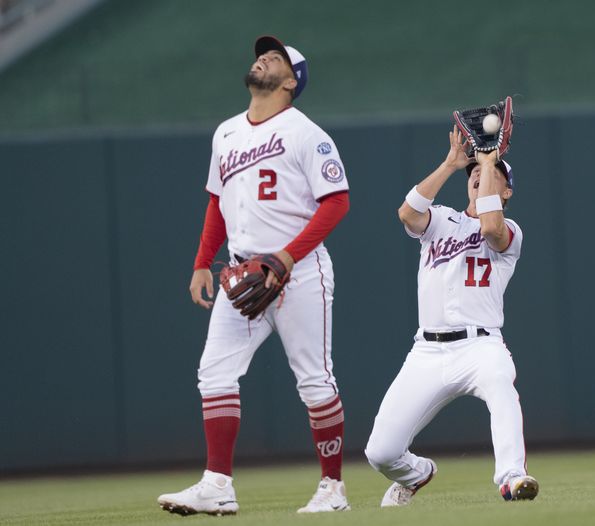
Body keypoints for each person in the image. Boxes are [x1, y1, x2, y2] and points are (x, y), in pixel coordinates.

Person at [157, 35, 351, 516]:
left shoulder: (306, 133)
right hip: (243, 272)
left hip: (299, 271)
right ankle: (217, 484)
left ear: (290, 82)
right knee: (215, 373)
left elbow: (337, 202)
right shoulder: (225, 133)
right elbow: (216, 203)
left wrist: (287, 257)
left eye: (278, 58)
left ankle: (333, 489)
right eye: (264, 53)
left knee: (314, 380)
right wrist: (203, 261)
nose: (264, 57)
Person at [364, 126, 539, 506]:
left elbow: (490, 227)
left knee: (499, 382)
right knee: (379, 452)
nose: (480, 173)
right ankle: (417, 473)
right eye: (474, 172)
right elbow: (408, 213)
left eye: (494, 174)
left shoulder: (510, 231)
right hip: (427, 351)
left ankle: (512, 477)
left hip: (481, 345)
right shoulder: (441, 220)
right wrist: (450, 164)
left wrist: (491, 161)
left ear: (506, 191)